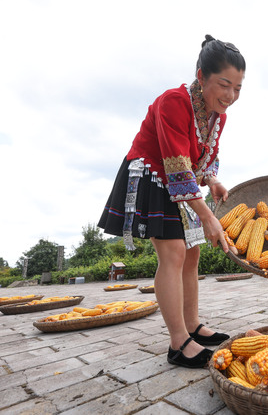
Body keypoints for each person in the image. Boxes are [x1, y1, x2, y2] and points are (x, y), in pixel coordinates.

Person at [98, 35, 245, 368]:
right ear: (201, 75)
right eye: (224, 85)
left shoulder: (217, 117)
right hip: (153, 172)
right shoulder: (173, 102)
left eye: (238, 88)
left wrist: (213, 180)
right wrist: (207, 216)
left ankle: (192, 325)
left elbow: (203, 160)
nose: (231, 96)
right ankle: (178, 343)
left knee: (191, 254)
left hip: (182, 179)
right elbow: (177, 166)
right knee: (174, 252)